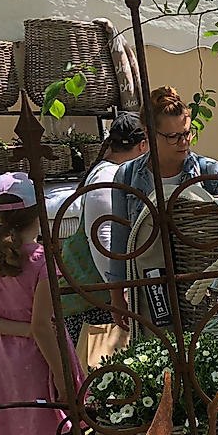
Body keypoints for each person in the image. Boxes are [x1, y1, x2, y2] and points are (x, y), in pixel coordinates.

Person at [107, 86, 218, 327]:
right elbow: (120, 240)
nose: (183, 142)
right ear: (148, 133)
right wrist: (116, 296)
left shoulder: (210, 173)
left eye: (187, 133)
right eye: (172, 136)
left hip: (205, 287)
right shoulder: (126, 176)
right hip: (151, 288)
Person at [0, 172, 84, 435]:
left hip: (4, 361)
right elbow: (42, 325)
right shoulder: (42, 260)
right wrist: (62, 376)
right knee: (68, 430)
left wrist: (22, 331)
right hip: (43, 359)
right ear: (38, 213)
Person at [65, 114, 151, 342]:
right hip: (95, 304)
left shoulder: (112, 172)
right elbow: (104, 240)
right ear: (142, 146)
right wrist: (121, 293)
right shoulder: (108, 177)